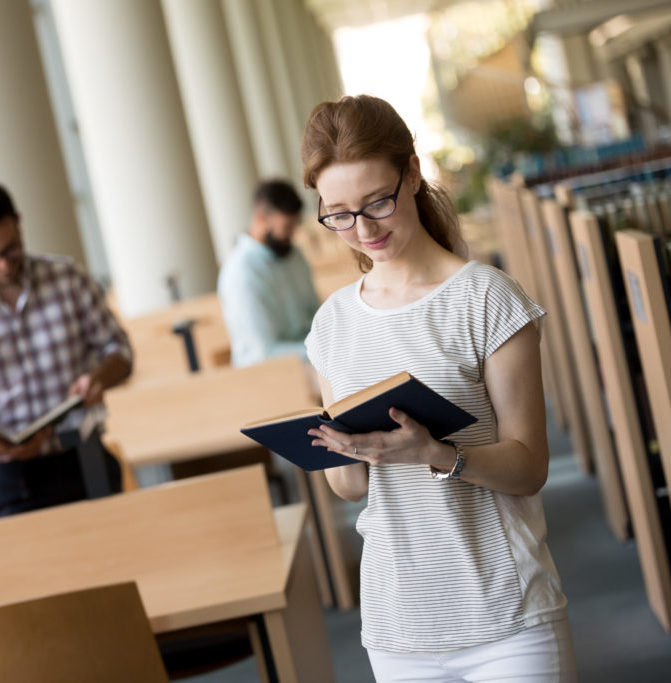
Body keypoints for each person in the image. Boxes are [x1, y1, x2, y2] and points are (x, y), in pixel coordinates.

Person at [301, 95, 575, 681]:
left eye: (378, 202)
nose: (364, 229)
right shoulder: (332, 324)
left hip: (507, 614)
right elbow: (352, 490)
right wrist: (336, 448)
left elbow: (530, 467)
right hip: (397, 626)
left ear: (413, 174)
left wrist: (436, 454)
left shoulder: (486, 297)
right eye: (339, 214)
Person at [0, 183, 132, 518]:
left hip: (84, 453)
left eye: (11, 250)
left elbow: (120, 352)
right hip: (9, 477)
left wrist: (98, 377)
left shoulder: (68, 278)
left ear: (19, 223)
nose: (4, 265)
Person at [217, 179, 322, 367]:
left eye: (295, 226)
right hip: (268, 374)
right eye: (287, 227)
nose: (292, 235)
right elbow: (265, 352)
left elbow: (316, 315)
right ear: (261, 219)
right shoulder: (240, 271)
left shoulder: (294, 254)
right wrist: (323, 350)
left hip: (310, 358)